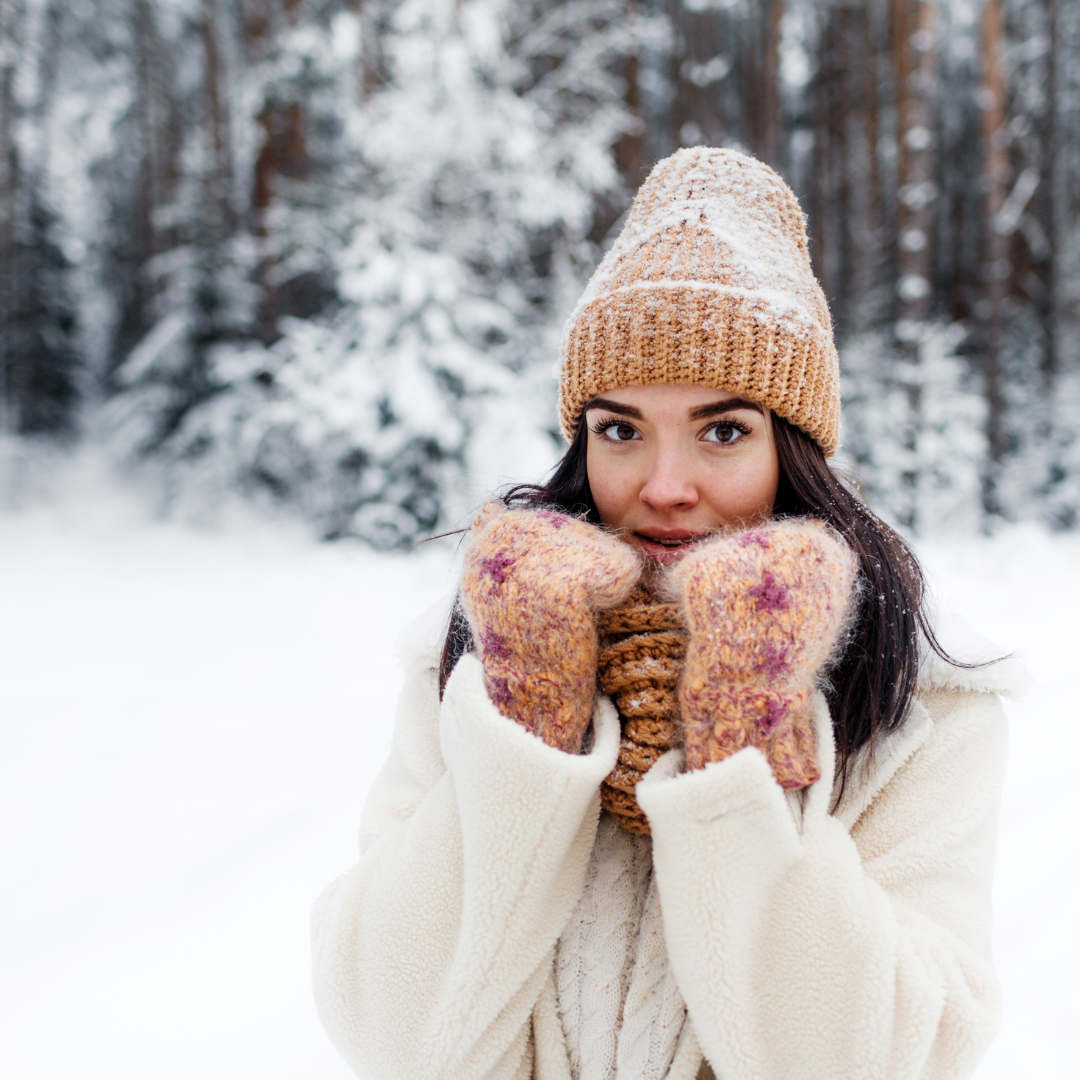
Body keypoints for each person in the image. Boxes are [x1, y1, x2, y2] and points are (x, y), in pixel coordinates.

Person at [311, 148, 1025, 1080]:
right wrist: (531, 723)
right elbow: (391, 1037)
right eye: (620, 431)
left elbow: (892, 1058)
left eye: (723, 431)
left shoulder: (917, 703)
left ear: (795, 449)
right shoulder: (475, 666)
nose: (666, 486)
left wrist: (744, 737)